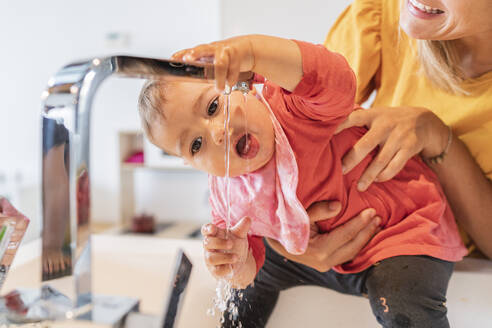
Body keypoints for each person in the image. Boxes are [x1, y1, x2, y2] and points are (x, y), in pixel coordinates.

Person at [138, 34, 467, 327]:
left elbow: (334, 78)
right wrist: (235, 262)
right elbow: (246, 271)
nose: (217, 134)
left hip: (398, 231)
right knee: (243, 294)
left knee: (403, 302)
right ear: (189, 163)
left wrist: (252, 52)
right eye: (195, 145)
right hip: (316, 258)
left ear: (241, 85)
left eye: (212, 107)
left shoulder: (295, 110)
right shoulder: (229, 195)